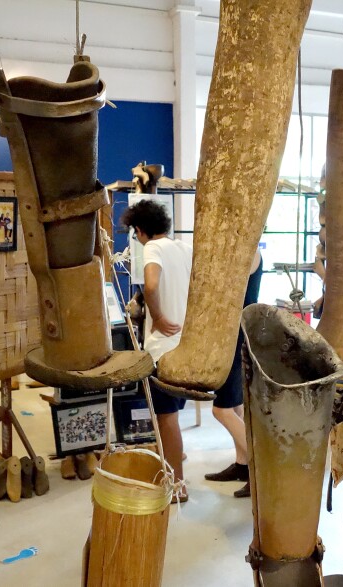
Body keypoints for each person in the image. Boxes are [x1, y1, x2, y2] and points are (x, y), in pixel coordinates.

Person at [121, 199, 193, 499]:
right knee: (172, 416)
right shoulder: (184, 248)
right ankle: (173, 472)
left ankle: (177, 485)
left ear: (140, 230)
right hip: (186, 344)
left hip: (162, 347)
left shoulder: (152, 248)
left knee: (166, 419)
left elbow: (151, 285)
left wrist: (159, 317)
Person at [204, 248, 262, 498]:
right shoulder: (246, 249)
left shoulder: (248, 252)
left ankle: (260, 469)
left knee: (222, 410)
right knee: (235, 406)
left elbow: (227, 293)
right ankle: (243, 466)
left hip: (236, 334)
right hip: (233, 334)